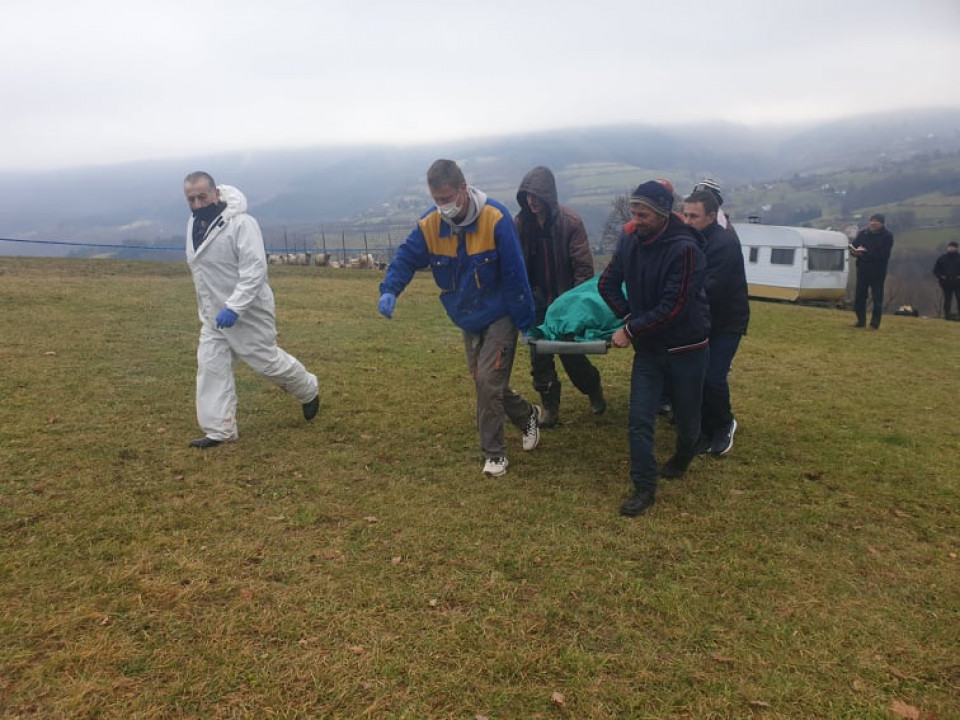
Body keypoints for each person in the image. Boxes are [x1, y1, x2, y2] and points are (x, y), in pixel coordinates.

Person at [377, 159, 541, 477]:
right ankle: (526, 414)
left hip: (500, 312)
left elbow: (514, 274)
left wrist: (524, 321)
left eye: (447, 198)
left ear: (463, 190)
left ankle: (495, 455)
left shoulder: (496, 219)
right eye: (436, 200)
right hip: (467, 315)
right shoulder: (429, 226)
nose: (443, 206)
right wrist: (391, 290)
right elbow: (406, 258)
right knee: (484, 382)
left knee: (488, 382)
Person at [182, 171, 319, 449]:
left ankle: (308, 389)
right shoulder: (193, 225)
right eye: (191, 198)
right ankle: (219, 429)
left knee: (267, 362)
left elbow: (255, 270)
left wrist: (234, 306)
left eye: (202, 197)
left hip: (248, 313)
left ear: (216, 193)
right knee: (211, 366)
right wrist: (213, 309)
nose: (196, 204)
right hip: (212, 317)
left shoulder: (243, 224)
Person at [598, 181, 710, 517]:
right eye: (633, 212)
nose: (635, 219)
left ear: (662, 213)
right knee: (639, 419)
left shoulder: (686, 250)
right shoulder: (630, 241)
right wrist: (630, 315)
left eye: (642, 213)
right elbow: (606, 283)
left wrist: (631, 329)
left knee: (688, 417)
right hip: (649, 350)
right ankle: (644, 486)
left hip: (687, 347)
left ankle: (683, 454)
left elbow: (674, 305)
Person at [515, 165, 605, 427]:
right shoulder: (521, 224)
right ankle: (549, 408)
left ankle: (593, 388)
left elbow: (583, 267)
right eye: (527, 196)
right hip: (535, 301)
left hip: (565, 300)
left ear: (548, 195)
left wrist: (575, 306)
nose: (531, 201)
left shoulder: (570, 222)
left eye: (536, 195)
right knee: (539, 357)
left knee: (572, 356)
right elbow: (515, 264)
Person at [682, 189, 750, 456]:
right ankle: (705, 430)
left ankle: (724, 424)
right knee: (697, 378)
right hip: (702, 320)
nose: (687, 221)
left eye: (694, 216)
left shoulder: (724, 244)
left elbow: (709, 287)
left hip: (726, 322)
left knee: (713, 377)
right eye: (685, 215)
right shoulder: (691, 238)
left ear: (711, 216)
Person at [850, 213, 894, 329]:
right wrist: (854, 252)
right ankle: (860, 321)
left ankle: (874, 324)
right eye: (871, 221)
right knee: (860, 297)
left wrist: (865, 253)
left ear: (882, 224)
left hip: (877, 272)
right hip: (862, 270)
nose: (873, 223)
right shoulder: (863, 234)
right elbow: (854, 246)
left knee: (877, 299)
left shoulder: (887, 236)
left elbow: (883, 255)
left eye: (876, 221)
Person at [932, 240, 960, 319]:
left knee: (959, 298)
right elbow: (935, 270)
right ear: (947, 248)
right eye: (950, 247)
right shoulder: (942, 258)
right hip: (946, 283)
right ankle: (947, 315)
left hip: (958, 282)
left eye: (953, 247)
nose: (951, 249)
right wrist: (941, 277)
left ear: (956, 248)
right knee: (947, 300)